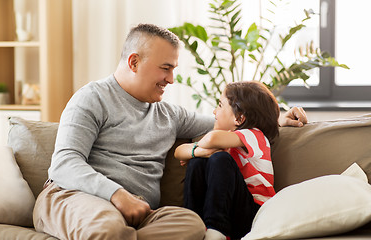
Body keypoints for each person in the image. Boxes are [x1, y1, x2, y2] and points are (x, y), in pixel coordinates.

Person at [33, 23, 308, 240]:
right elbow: (64, 163)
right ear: (134, 62)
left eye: (174, 69)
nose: (171, 79)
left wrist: (278, 119)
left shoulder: (169, 115)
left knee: (191, 225)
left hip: (141, 213)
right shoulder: (92, 98)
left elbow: (230, 122)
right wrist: (117, 195)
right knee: (109, 229)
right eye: (165, 68)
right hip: (77, 197)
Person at [174, 81, 290, 240]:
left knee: (220, 159)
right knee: (198, 162)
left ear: (239, 118)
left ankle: (216, 230)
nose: (214, 111)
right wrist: (200, 152)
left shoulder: (255, 135)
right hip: (232, 213)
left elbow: (211, 139)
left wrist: (198, 150)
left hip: (255, 215)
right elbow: (178, 152)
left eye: (220, 105)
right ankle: (192, 225)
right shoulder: (224, 143)